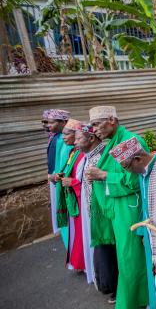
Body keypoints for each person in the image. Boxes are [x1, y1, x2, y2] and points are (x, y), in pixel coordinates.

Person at [85, 106, 149, 309]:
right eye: (92, 125)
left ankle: (136, 301)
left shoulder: (130, 141)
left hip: (130, 208)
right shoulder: (112, 142)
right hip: (118, 208)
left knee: (131, 258)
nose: (94, 129)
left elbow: (134, 180)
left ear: (112, 120)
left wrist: (102, 175)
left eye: (97, 124)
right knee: (125, 258)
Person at [109, 137, 156, 309]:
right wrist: (143, 233)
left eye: (126, 167)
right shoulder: (143, 172)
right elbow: (145, 205)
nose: (127, 172)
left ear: (138, 159)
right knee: (154, 280)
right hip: (151, 236)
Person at [76, 124, 118, 301]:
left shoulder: (102, 157)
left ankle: (115, 288)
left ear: (91, 138)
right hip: (94, 213)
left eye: (78, 138)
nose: (75, 142)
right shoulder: (88, 156)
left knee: (109, 251)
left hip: (105, 214)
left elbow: (113, 181)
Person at [56, 119, 86, 273]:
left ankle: (86, 264)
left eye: (66, 134)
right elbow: (69, 169)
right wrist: (60, 176)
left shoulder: (83, 154)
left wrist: (72, 182)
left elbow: (86, 180)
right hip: (74, 197)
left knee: (82, 233)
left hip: (81, 199)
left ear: (77, 135)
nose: (63, 138)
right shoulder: (73, 152)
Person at [42, 109, 72, 247]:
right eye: (46, 122)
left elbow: (64, 162)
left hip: (60, 179)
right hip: (55, 178)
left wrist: (56, 176)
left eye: (51, 122)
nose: (48, 125)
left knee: (65, 212)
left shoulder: (63, 139)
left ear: (64, 122)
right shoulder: (54, 136)